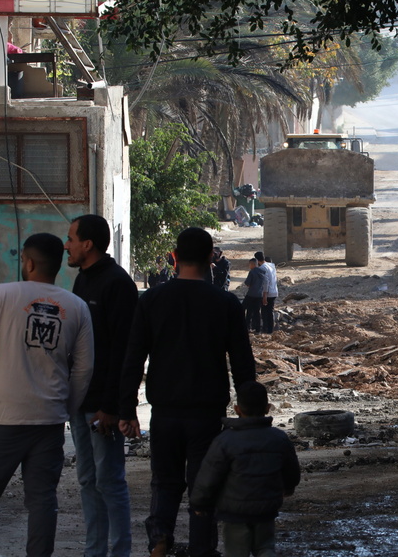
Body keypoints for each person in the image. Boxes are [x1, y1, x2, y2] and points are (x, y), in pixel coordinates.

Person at [119, 227, 256, 557]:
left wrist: (126, 410)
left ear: (175, 258)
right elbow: (242, 362)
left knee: (164, 482)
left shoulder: (151, 300)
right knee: (203, 487)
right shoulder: (224, 303)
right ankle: (200, 549)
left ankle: (160, 538)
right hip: (207, 413)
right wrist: (249, 411)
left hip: (164, 410)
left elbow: (134, 357)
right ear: (211, 259)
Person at [0, 233, 95, 556]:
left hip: (1, 416)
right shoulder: (76, 306)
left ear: (28, 262)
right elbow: (84, 369)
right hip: (48, 421)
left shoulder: (2, 294)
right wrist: (66, 408)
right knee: (43, 500)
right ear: (58, 265)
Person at [65, 214, 137, 557]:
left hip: (102, 407)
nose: (67, 245)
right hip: (80, 402)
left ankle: (119, 551)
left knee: (109, 481)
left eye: (71, 239)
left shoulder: (117, 284)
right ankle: (95, 551)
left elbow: (124, 352)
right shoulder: (83, 281)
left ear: (87, 244)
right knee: (87, 481)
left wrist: (114, 407)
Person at [190, 381, 300, 557]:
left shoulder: (224, 441)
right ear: (268, 408)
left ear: (236, 409)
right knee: (265, 547)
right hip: (266, 509)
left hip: (234, 513)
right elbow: (291, 471)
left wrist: (199, 503)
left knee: (236, 552)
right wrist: (288, 487)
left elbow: (208, 476)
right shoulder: (279, 438)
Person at [243, 253, 270, 333]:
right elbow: (265, 283)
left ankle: (246, 326)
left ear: (252, 264)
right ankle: (258, 330)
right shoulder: (263, 271)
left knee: (243, 309)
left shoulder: (252, 272)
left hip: (251, 294)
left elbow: (247, 283)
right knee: (257, 312)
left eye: (249, 265)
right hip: (259, 295)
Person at [261, 255, 279, 334]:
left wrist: (264, 296)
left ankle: (266, 329)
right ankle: (270, 329)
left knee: (265, 312)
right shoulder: (272, 267)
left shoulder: (264, 268)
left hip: (267, 293)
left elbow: (266, 283)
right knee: (270, 311)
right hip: (274, 292)